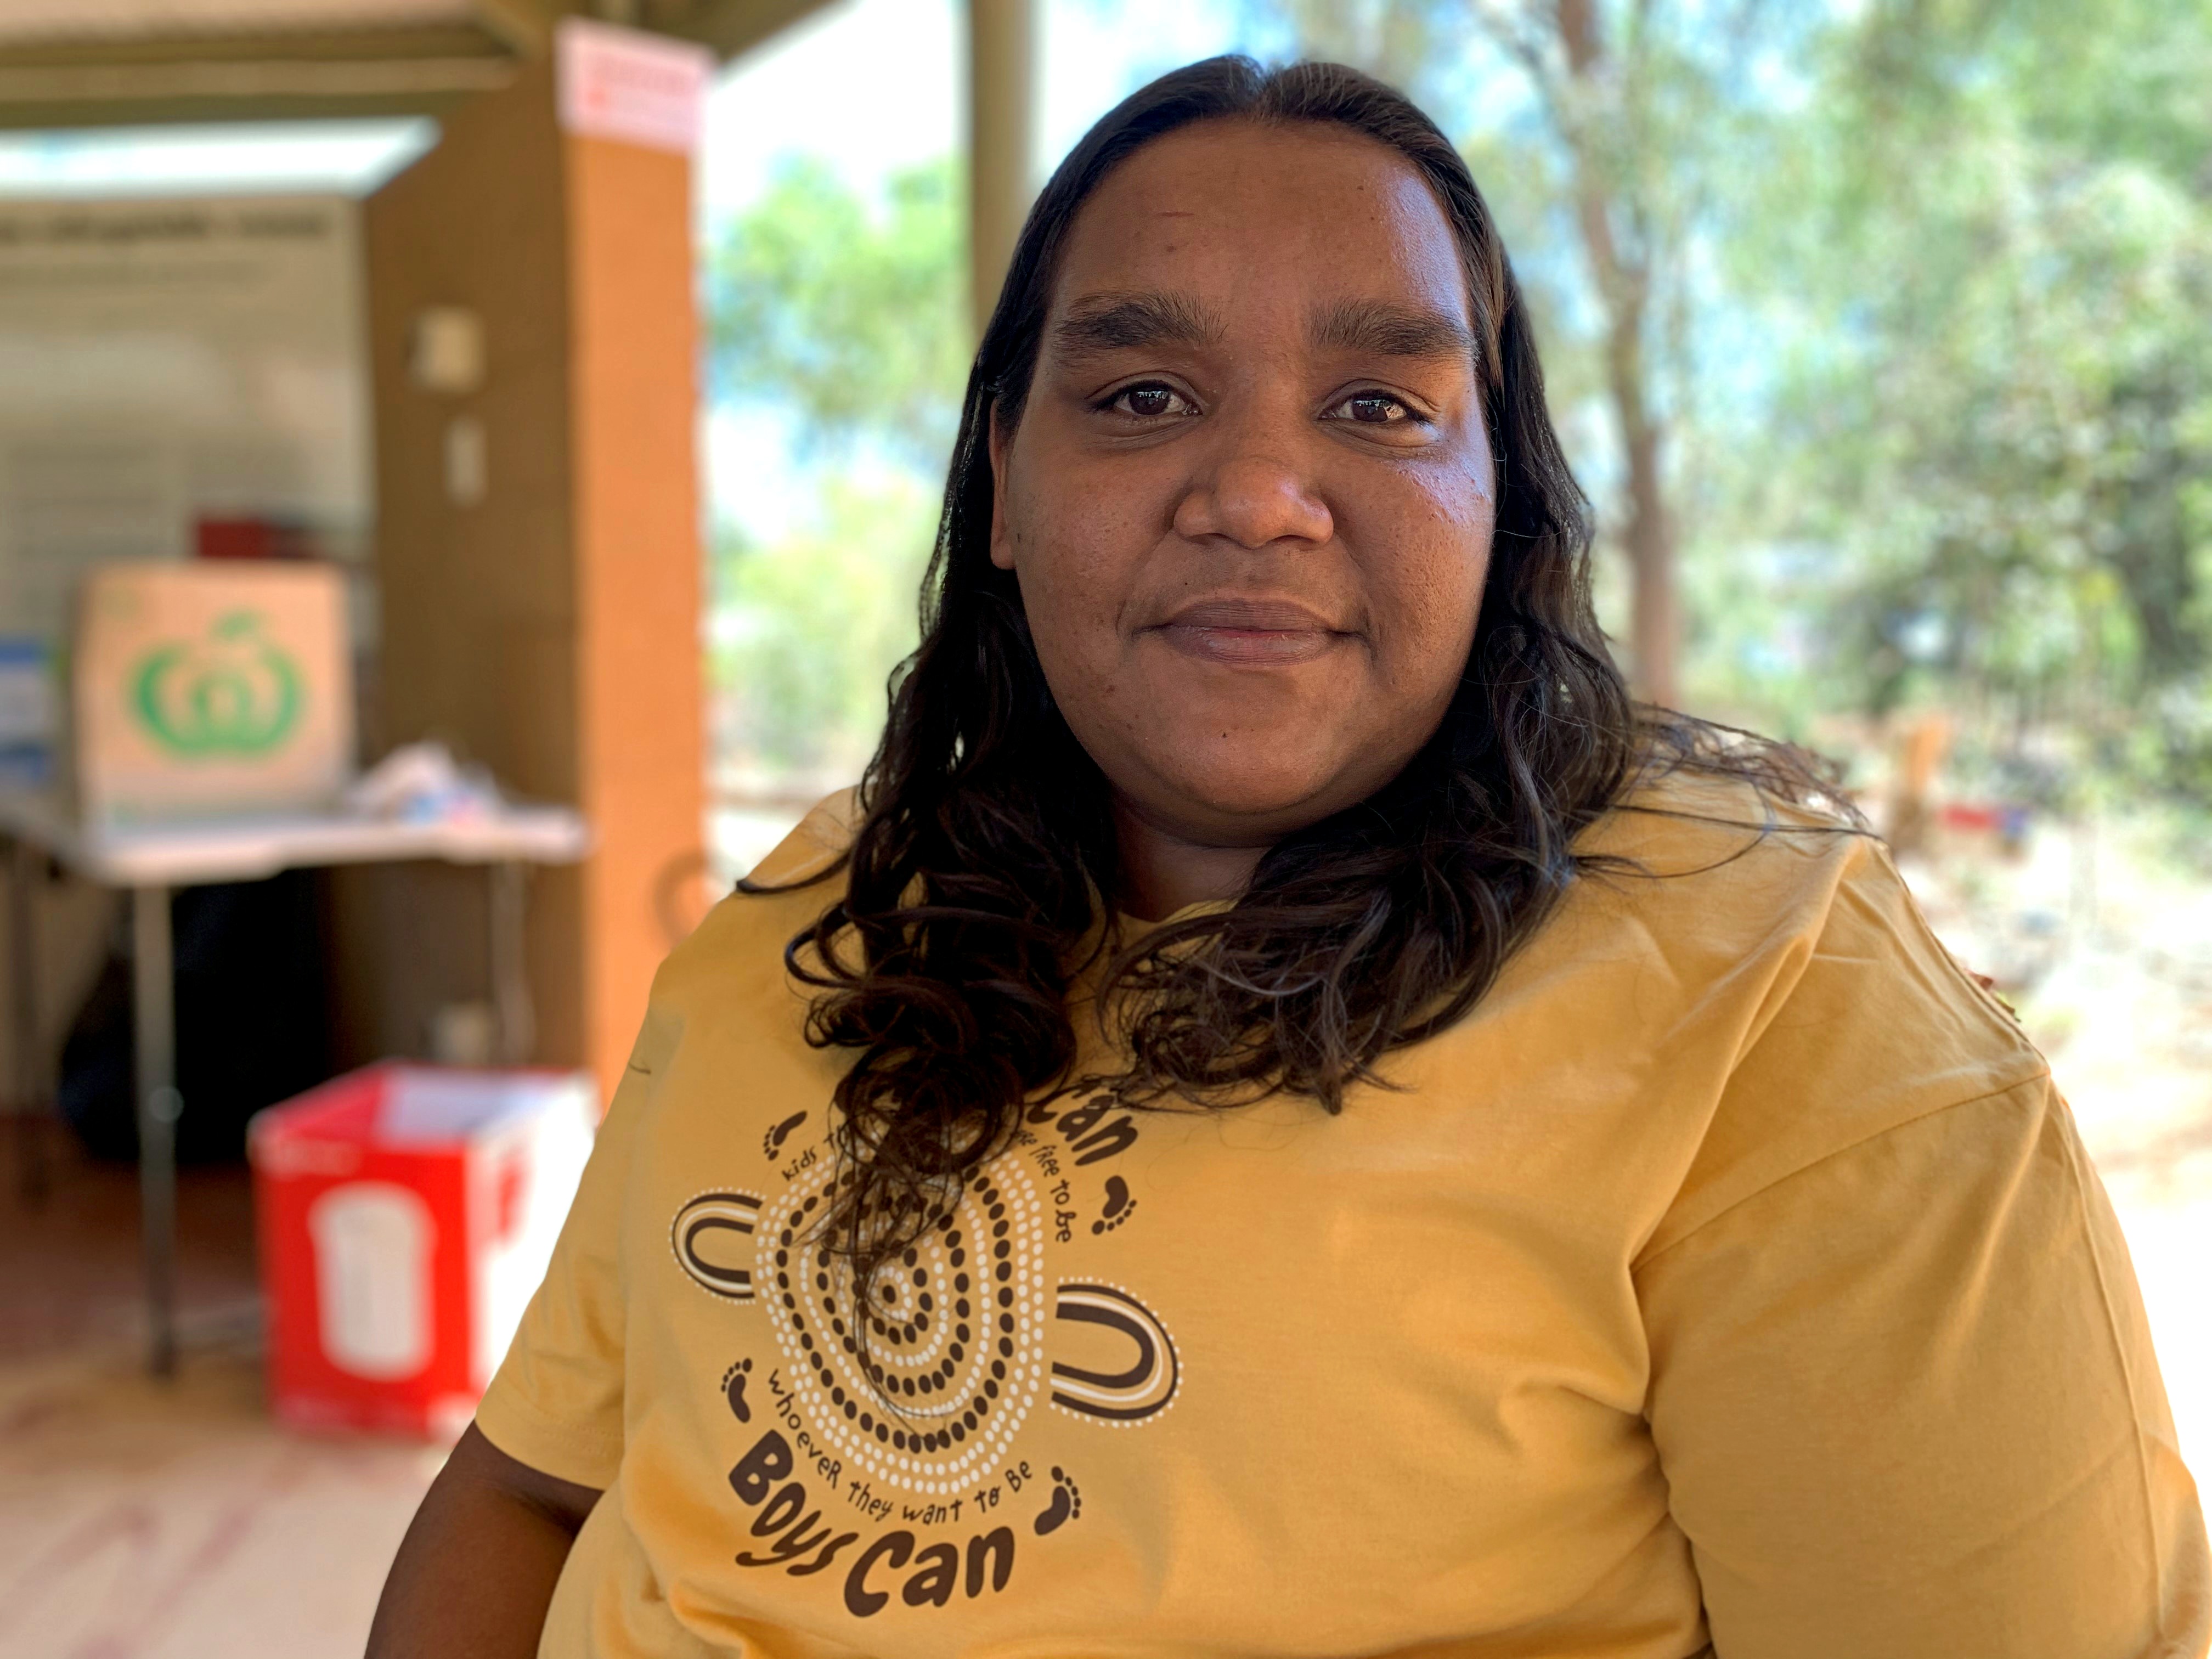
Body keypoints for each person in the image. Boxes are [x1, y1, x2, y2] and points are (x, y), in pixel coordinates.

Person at [368, 56, 2209, 1659]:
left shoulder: (1779, 999)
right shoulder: (820, 902)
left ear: (1506, 509)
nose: (1255, 491)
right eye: (1145, 396)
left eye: (1383, 407)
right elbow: (528, 1493)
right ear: (1002, 484)